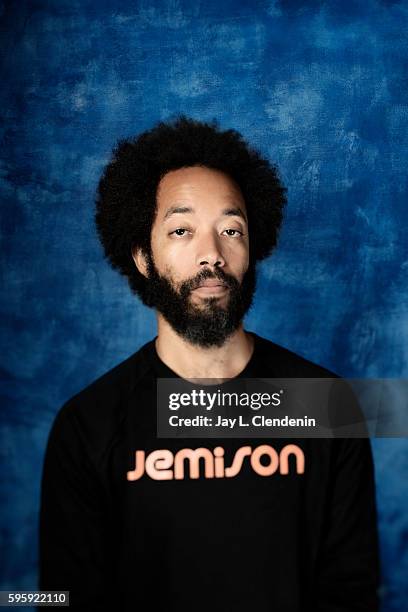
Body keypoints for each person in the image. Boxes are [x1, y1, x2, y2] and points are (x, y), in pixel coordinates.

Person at [38, 116, 380, 611]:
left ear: (250, 248)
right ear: (142, 256)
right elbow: (59, 600)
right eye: (182, 230)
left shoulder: (327, 405)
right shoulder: (89, 426)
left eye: (231, 229)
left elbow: (352, 591)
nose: (212, 255)